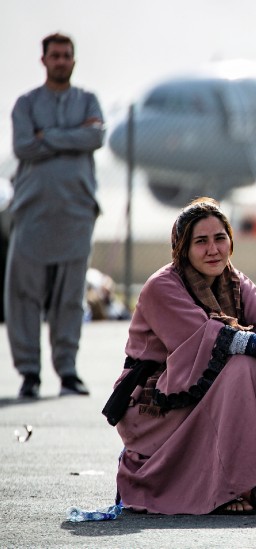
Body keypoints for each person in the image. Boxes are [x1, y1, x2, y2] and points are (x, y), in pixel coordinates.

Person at [104, 198, 256, 515]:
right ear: (182, 249)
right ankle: (230, 486)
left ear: (230, 243)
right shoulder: (162, 286)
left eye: (220, 239)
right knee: (243, 365)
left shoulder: (234, 281)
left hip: (202, 392)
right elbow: (215, 339)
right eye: (201, 241)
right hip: (154, 404)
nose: (213, 250)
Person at [8, 33, 103, 399]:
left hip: (76, 214)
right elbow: (23, 145)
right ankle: (29, 372)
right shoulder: (26, 104)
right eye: (55, 56)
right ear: (43, 60)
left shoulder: (88, 100)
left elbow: (95, 137)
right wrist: (72, 135)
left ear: (73, 61)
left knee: (69, 298)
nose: (61, 61)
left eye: (67, 55)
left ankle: (67, 371)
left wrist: (49, 136)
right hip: (33, 214)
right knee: (24, 297)